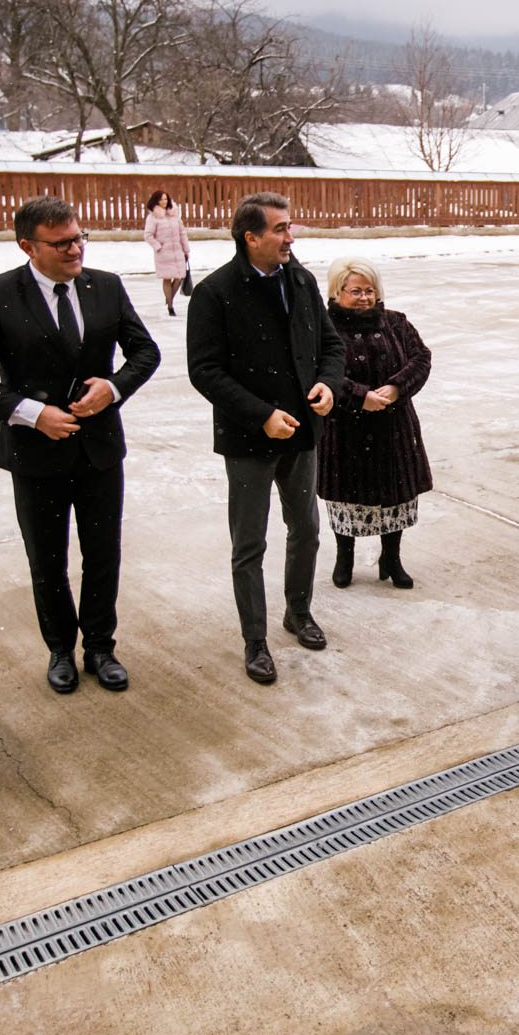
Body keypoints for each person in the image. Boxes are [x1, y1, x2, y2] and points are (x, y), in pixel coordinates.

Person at [0, 196, 162, 695]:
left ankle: (100, 646)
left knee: (102, 553)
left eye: (78, 237)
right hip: (36, 453)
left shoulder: (105, 286)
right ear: (28, 246)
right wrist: (31, 412)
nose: (75, 249)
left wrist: (111, 389)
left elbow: (144, 351)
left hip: (99, 450)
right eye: (62, 242)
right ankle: (60, 650)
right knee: (47, 559)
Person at [189, 192, 344, 684]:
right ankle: (255, 639)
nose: (289, 237)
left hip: (301, 434)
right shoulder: (216, 293)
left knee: (307, 531)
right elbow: (205, 371)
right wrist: (261, 416)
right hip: (249, 440)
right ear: (250, 237)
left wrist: (328, 384)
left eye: (289, 227)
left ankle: (298, 612)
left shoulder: (300, 279)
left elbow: (330, 344)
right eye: (279, 229)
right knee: (249, 544)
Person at [318, 258, 433, 590]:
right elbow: (320, 373)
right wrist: (359, 397)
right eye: (356, 291)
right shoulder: (325, 329)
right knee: (346, 499)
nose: (365, 298)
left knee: (396, 498)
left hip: (394, 428)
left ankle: (391, 558)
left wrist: (398, 386)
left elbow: (421, 357)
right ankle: (345, 558)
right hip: (345, 431)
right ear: (337, 291)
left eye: (370, 291)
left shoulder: (396, 322)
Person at [143, 190, 190, 316]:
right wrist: (158, 246)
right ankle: (170, 306)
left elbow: (182, 233)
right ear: (156, 201)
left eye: (165, 199)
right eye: (161, 199)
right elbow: (148, 235)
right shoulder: (153, 217)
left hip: (178, 251)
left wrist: (186, 249)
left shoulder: (174, 215)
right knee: (167, 278)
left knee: (179, 277)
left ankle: (169, 298)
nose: (164, 202)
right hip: (164, 253)